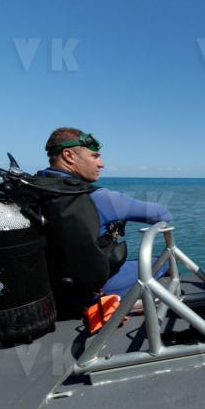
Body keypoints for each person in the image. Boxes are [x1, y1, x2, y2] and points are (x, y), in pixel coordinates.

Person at [38, 127, 172, 311]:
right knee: (164, 260)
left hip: (43, 293)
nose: (101, 164)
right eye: (94, 156)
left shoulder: (27, 190)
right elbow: (163, 214)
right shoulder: (96, 198)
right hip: (89, 293)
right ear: (69, 156)